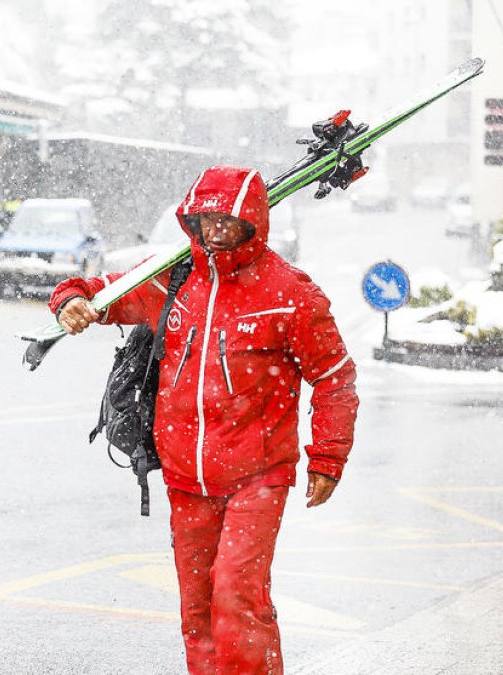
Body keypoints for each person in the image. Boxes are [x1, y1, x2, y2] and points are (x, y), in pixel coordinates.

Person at [48, 166, 358, 675]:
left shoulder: (290, 293)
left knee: (238, 596)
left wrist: (327, 456)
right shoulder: (173, 278)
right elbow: (102, 292)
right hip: (185, 475)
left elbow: (335, 378)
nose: (214, 229)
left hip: (259, 475)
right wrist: (74, 299)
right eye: (205, 218)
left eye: (227, 219)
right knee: (196, 608)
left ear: (253, 222)